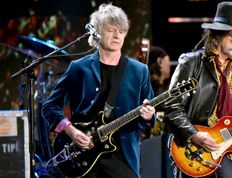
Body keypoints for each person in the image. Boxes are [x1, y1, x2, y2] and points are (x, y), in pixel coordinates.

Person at [41, 3, 155, 178]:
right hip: (81, 157)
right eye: (111, 30)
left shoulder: (139, 71)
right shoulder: (78, 68)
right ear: (97, 32)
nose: (117, 35)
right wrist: (71, 131)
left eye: (121, 30)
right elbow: (49, 107)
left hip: (123, 158)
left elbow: (147, 121)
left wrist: (148, 116)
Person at [164, 2, 232, 178]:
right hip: (197, 150)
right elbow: (172, 106)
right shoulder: (191, 63)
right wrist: (194, 135)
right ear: (217, 35)